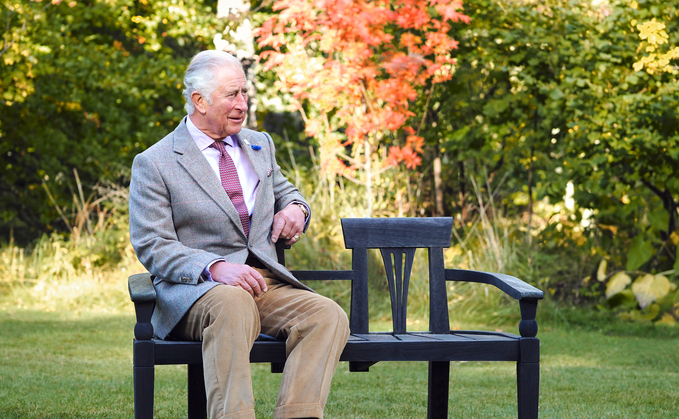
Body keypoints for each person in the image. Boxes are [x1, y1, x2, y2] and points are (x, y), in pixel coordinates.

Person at [129, 50, 350, 419]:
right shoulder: (156, 162)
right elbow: (152, 245)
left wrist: (298, 209)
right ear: (199, 101)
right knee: (232, 303)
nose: (242, 104)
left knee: (327, 315)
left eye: (244, 93)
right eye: (232, 94)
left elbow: (286, 191)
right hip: (197, 292)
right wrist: (214, 268)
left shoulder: (258, 143)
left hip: (262, 282)